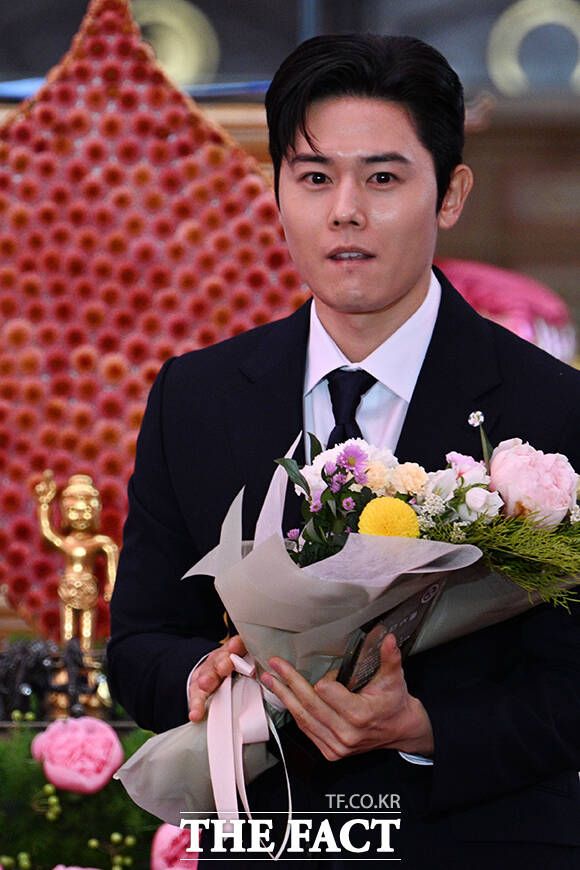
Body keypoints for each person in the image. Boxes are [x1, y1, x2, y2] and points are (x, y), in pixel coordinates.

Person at [108, 34, 580, 867]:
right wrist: (204, 674)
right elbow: (140, 643)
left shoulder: (552, 409)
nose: (345, 212)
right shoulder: (197, 396)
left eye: (383, 178)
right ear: (277, 189)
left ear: (451, 194)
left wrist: (424, 727)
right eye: (315, 177)